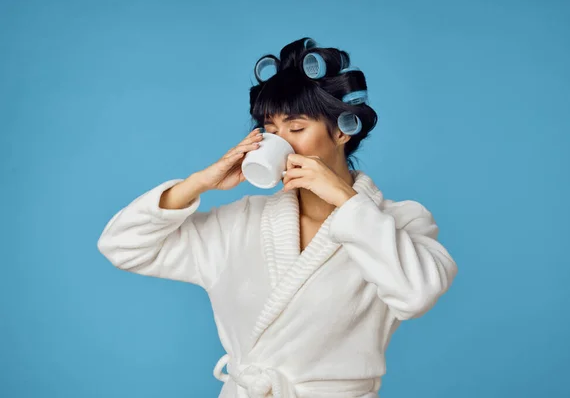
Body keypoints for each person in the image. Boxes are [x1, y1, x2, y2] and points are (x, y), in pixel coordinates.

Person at [97, 37, 458, 398]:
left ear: (341, 131)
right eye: (270, 132)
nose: (281, 143)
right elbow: (121, 246)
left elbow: (417, 295)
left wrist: (347, 203)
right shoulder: (239, 223)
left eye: (297, 129)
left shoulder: (399, 222)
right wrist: (198, 183)